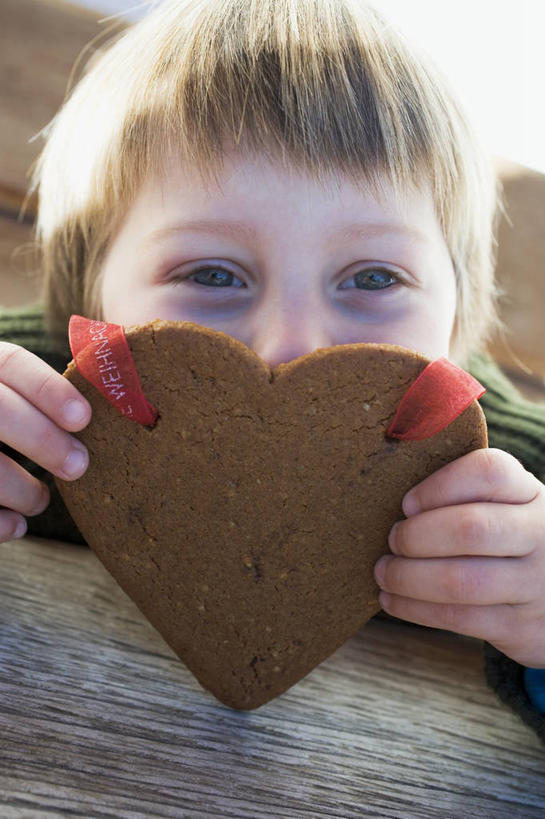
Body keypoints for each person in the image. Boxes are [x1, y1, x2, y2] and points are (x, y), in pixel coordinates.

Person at [1, 0, 544, 741]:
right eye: (214, 274)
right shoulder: (30, 408)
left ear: (455, 320)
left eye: (375, 279)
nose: (292, 347)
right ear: (90, 297)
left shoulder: (516, 491)